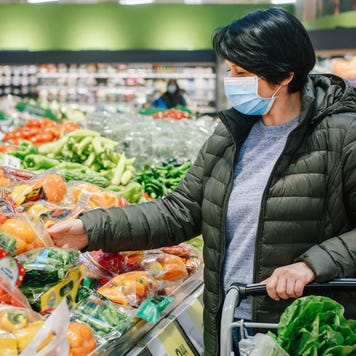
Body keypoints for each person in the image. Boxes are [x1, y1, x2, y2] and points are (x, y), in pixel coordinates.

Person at [47, 7, 356, 356]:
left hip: (304, 333)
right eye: (230, 70)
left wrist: (312, 263)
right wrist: (91, 229)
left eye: (242, 72)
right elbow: (179, 212)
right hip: (229, 323)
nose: (232, 80)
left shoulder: (342, 136)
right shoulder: (230, 134)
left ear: (284, 75)